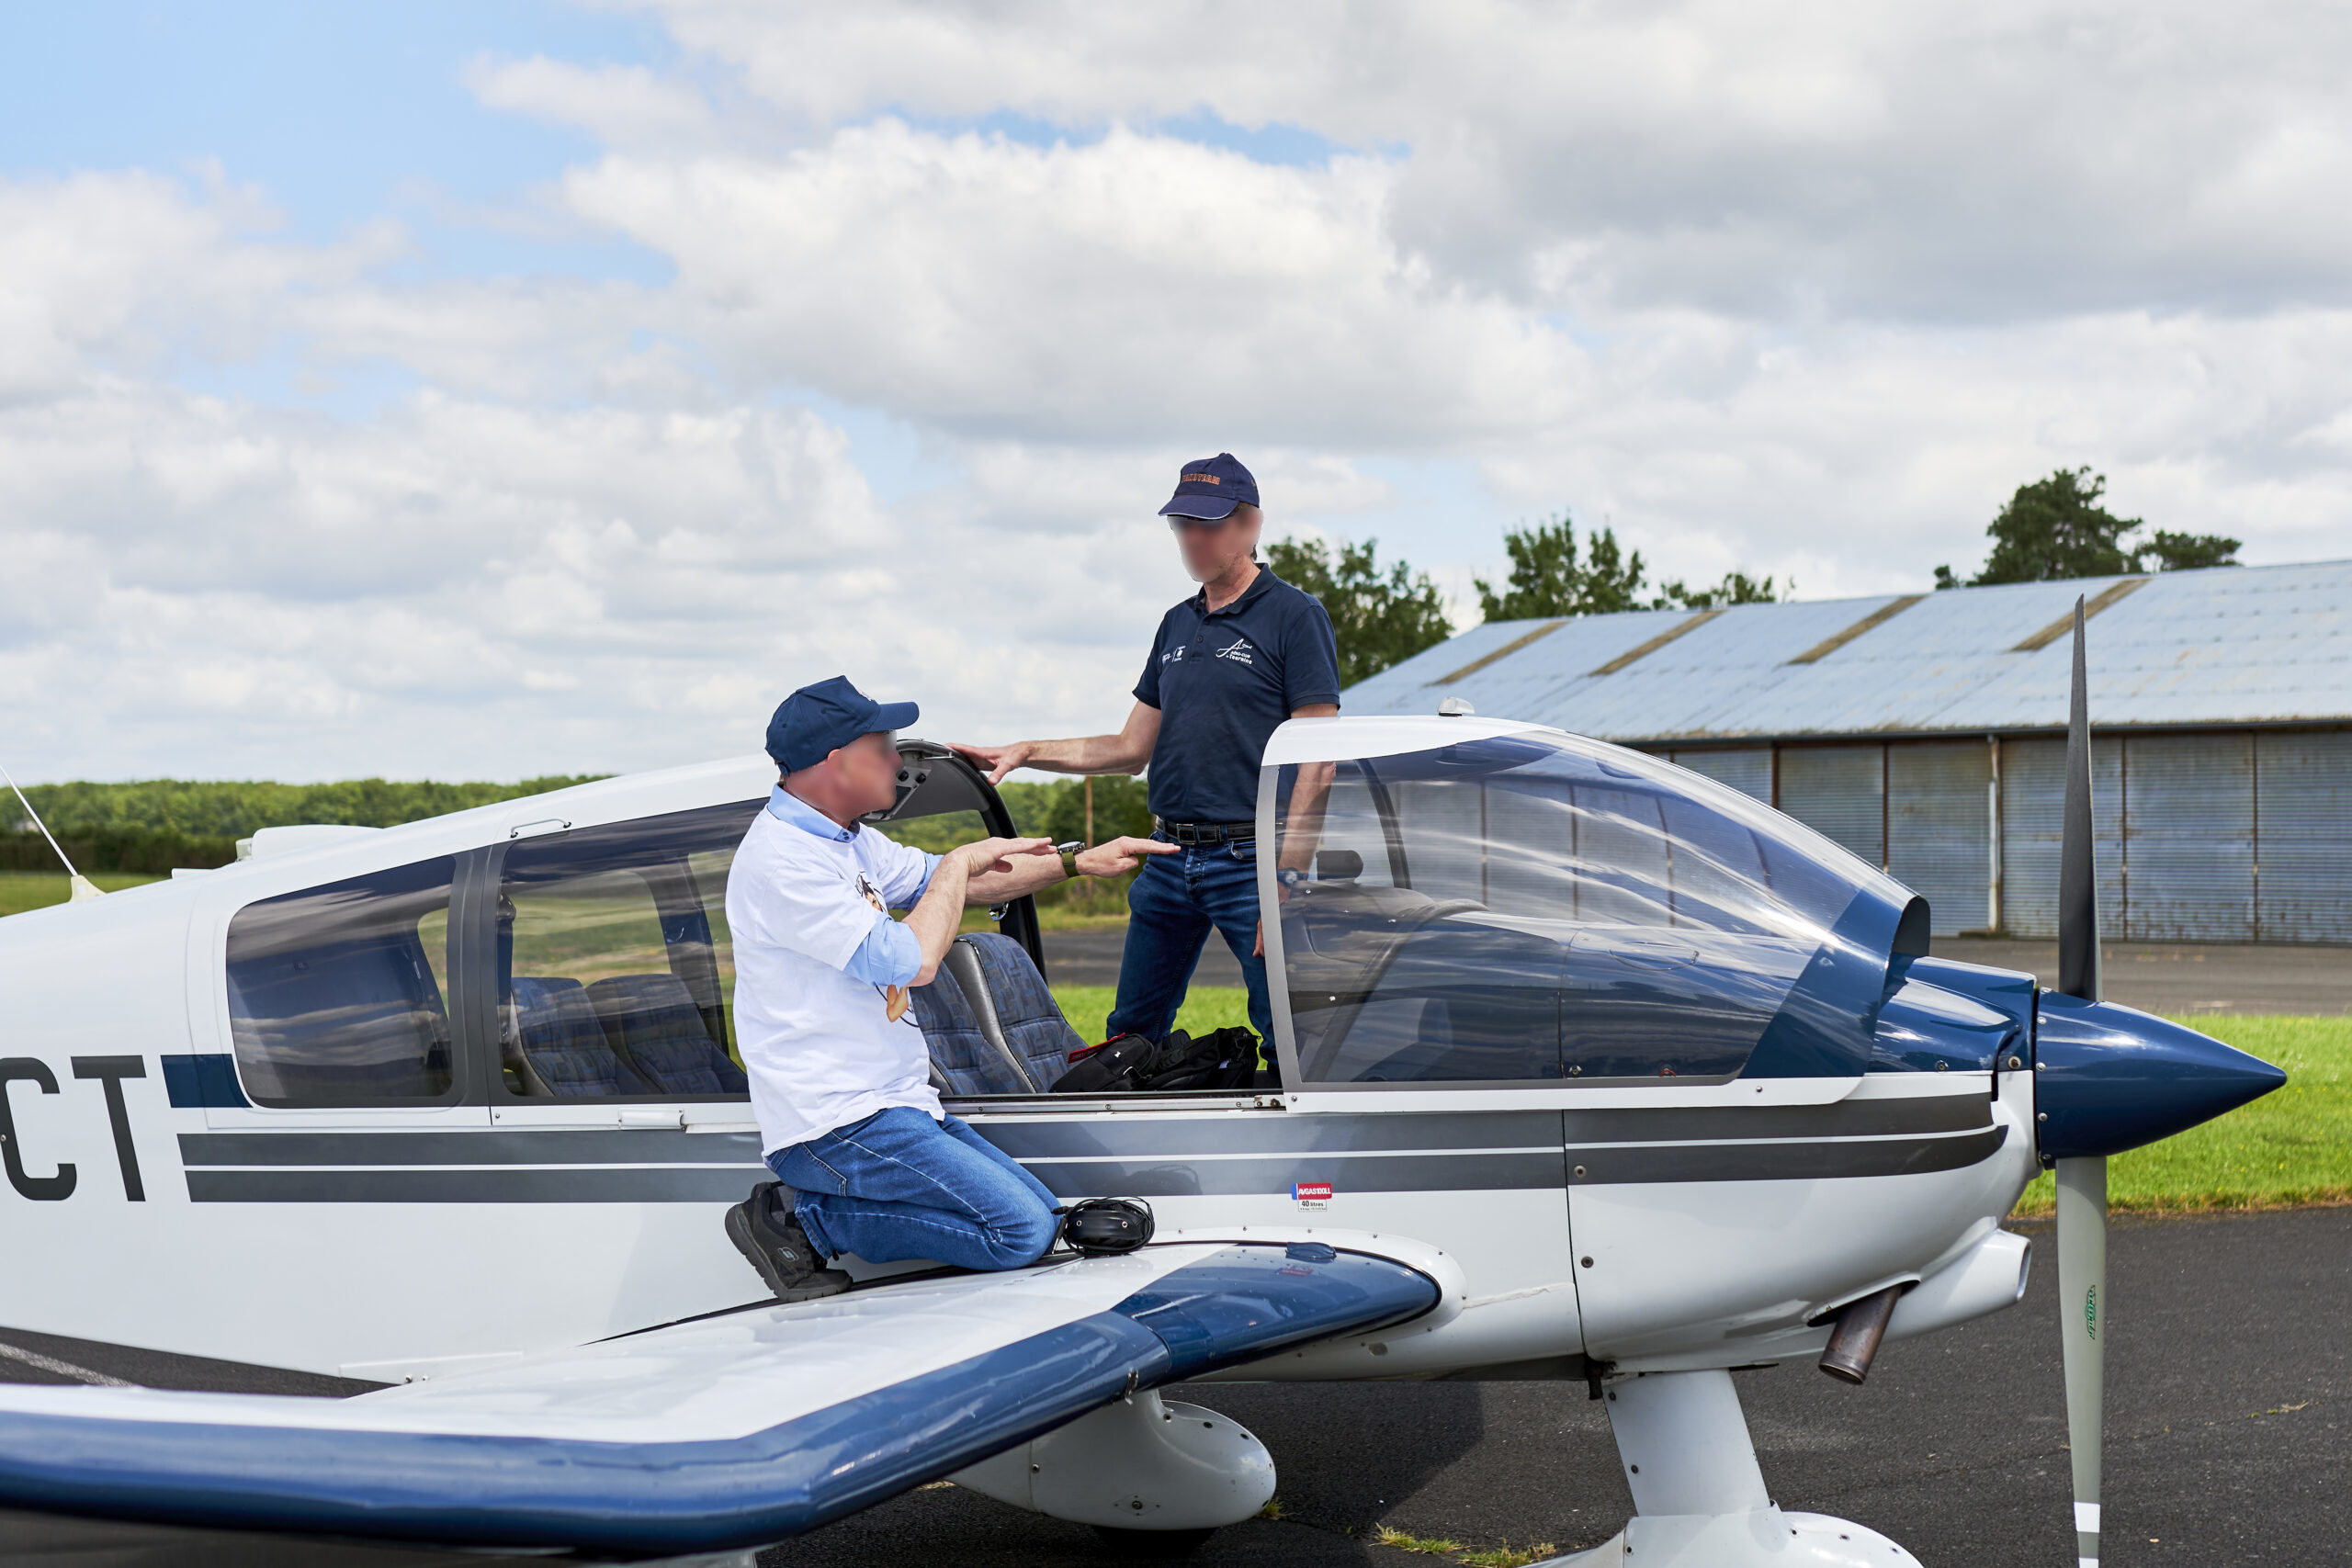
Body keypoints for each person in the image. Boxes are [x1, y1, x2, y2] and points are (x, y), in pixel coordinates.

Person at [723, 675, 1175, 1301]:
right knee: (1017, 1232)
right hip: (833, 1122)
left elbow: (953, 883)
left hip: (894, 1103)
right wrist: (960, 862)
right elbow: (912, 960)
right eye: (881, 744)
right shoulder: (783, 861)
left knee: (1041, 1217)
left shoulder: (847, 840)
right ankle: (805, 1218)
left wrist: (1078, 860)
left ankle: (824, 1215)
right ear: (835, 763)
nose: (895, 759)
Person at [954, 453, 1340, 1053]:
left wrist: (1286, 879)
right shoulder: (1176, 625)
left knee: (1287, 1033)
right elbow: (1130, 747)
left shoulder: (1294, 616)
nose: (1192, 538)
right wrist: (1027, 749)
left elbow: (1319, 760)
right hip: (1166, 857)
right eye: (1182, 524)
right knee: (1128, 1036)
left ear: (1250, 524)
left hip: (1253, 863)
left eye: (1208, 523)